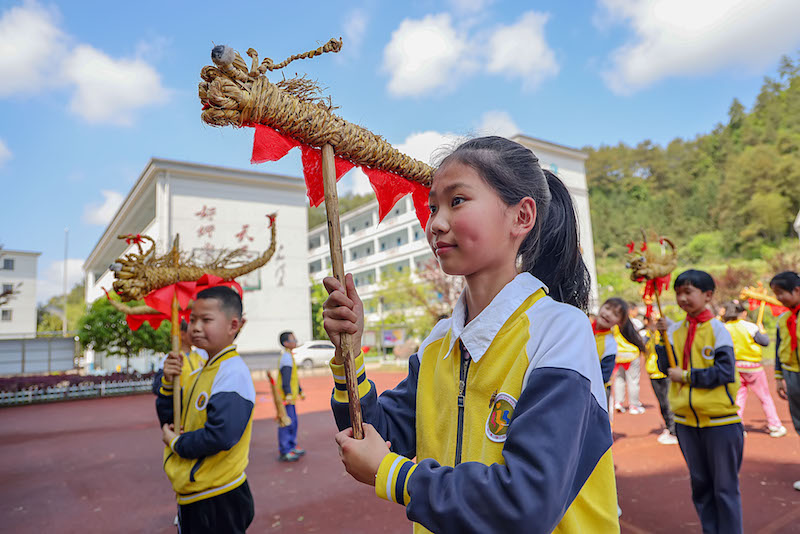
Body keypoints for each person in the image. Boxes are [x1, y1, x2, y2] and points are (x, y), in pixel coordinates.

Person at [323, 136, 619, 533]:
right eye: (432, 207)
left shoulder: (559, 332)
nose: (436, 223)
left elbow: (528, 501)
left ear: (521, 217)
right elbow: (376, 431)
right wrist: (350, 353)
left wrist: (394, 476)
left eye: (457, 201)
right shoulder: (439, 341)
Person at [156, 286, 255, 533]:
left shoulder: (232, 372)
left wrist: (177, 443)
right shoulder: (201, 370)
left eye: (206, 320)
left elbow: (221, 435)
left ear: (234, 325)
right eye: (192, 319)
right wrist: (168, 383)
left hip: (218, 496)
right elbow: (171, 419)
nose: (196, 327)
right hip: (194, 494)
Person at [656, 269, 743, 534]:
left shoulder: (718, 330)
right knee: (701, 484)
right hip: (685, 423)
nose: (682, 298)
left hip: (721, 421)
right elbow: (664, 367)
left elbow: (725, 373)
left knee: (725, 487)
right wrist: (661, 339)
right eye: (678, 293)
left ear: (707, 295)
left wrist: (687, 376)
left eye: (688, 292)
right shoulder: (675, 330)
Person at [721, 301, 785, 437]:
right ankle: (775, 425)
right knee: (765, 397)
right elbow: (765, 341)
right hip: (753, 367)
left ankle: (737, 425)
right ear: (742, 313)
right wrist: (761, 330)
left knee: (739, 396)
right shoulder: (750, 326)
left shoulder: (725, 327)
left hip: (736, 366)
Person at [770, 271, 800, 490]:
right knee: (798, 423)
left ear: (797, 290)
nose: (778, 298)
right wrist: (779, 376)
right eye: (775, 294)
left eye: (781, 293)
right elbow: (779, 348)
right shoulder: (783, 319)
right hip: (791, 375)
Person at [643, 314, 678, 445]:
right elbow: (642, 345)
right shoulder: (648, 335)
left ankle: (674, 430)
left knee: (669, 403)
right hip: (653, 372)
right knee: (662, 403)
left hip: (665, 373)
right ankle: (669, 427)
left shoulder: (667, 334)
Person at [151, 319, 208, 396]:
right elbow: (158, 388)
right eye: (192, 331)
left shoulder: (202, 355)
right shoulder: (170, 359)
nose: (196, 334)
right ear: (182, 334)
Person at [277, 330, 305, 462]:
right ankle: (285, 450)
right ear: (285, 343)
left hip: (291, 398)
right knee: (287, 423)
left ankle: (291, 446)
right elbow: (286, 378)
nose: (296, 341)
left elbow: (294, 377)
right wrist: (287, 393)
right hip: (286, 399)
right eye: (293, 339)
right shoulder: (286, 358)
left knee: (293, 423)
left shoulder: (290, 356)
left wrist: (299, 390)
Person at [612, 317, 646, 414]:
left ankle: (618, 402)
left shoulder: (613, 324)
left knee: (619, 379)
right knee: (633, 380)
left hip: (619, 354)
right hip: (632, 354)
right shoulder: (633, 322)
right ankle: (634, 405)